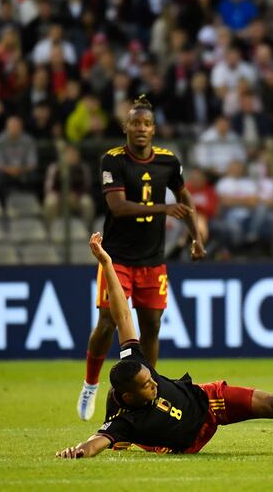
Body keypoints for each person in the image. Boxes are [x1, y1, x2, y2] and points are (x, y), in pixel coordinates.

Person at [57, 232, 273, 458]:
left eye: (150, 377)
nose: (154, 383)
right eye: (146, 385)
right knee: (124, 441)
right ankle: (140, 443)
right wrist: (78, 451)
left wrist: (106, 263)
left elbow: (120, 310)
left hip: (209, 400)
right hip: (187, 443)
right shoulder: (122, 419)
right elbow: (95, 442)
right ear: (128, 397)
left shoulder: (135, 362)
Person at [77, 96, 207, 422]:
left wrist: (196, 237)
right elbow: (118, 207)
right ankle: (90, 384)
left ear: (153, 129)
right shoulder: (114, 160)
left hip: (153, 260)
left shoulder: (167, 161)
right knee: (107, 323)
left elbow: (184, 195)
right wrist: (165, 209)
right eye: (135, 123)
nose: (140, 129)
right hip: (117, 258)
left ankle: (150, 391)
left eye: (146, 124)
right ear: (126, 127)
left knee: (151, 325)